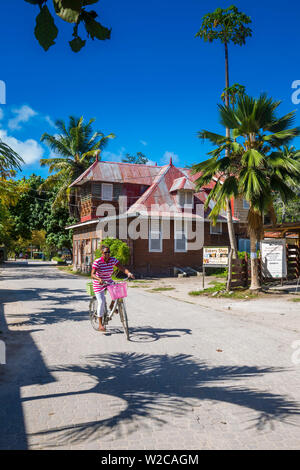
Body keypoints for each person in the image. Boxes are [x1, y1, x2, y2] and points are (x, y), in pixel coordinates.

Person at [91, 245, 134, 332]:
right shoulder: (97, 262)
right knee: (101, 302)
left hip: (108, 280)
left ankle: (111, 305)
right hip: (99, 283)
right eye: (105, 252)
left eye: (109, 252)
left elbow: (121, 267)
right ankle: (100, 325)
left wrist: (128, 273)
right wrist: (99, 279)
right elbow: (92, 274)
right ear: (102, 253)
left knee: (118, 291)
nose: (107, 254)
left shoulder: (112, 260)